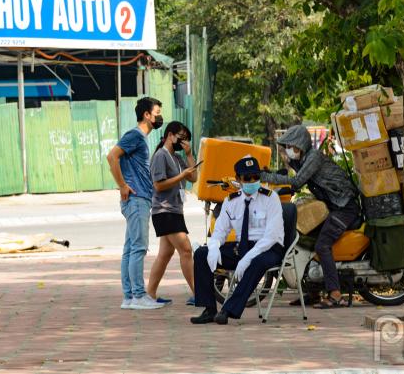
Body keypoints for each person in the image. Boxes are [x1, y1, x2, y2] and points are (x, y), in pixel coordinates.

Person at [261, 124, 361, 308]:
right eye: (287, 147)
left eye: (291, 146)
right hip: (332, 206)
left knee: (322, 245)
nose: (289, 150)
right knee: (305, 239)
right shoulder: (303, 160)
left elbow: (297, 181)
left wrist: (267, 177)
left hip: (345, 207)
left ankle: (335, 294)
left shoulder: (313, 157)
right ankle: (313, 292)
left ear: (301, 144)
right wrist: (271, 174)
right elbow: (293, 179)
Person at [191, 156, 284, 325]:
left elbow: (271, 236)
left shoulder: (271, 198)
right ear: (238, 179)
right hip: (243, 246)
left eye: (256, 177)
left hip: (269, 248)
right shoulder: (231, 202)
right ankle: (209, 309)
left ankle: (228, 310)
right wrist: (214, 247)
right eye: (247, 178)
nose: (252, 181)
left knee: (257, 262)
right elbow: (220, 230)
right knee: (201, 254)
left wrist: (248, 258)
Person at [107, 97, 166, 310]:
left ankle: (130, 297)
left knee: (131, 248)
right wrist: (122, 185)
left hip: (139, 199)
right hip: (136, 198)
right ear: (146, 115)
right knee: (138, 248)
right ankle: (138, 296)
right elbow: (112, 156)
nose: (160, 117)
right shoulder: (135, 135)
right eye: (157, 113)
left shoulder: (141, 138)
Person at [147, 121, 199, 305]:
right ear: (170, 135)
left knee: (165, 254)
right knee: (186, 250)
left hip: (175, 210)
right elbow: (158, 185)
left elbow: (193, 176)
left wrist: (189, 154)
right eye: (181, 137)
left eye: (186, 139)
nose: (183, 141)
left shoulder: (177, 158)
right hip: (164, 211)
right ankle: (198, 293)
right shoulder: (161, 156)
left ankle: (150, 293)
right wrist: (181, 176)